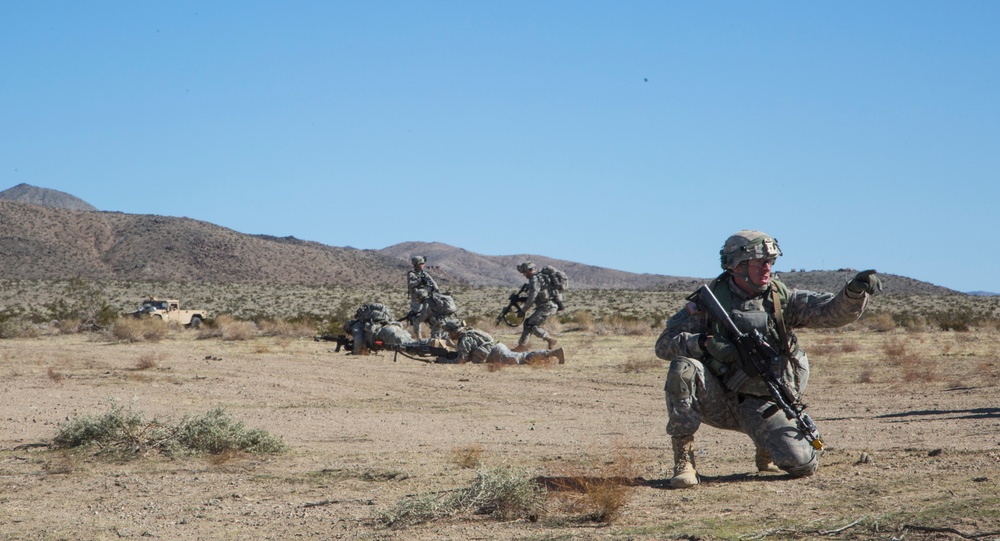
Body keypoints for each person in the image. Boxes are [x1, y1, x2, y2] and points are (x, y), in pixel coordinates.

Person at [655, 230, 881, 488]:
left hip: (765, 401)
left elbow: (831, 312)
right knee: (683, 367)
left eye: (771, 262)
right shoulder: (710, 302)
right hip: (721, 399)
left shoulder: (781, 298)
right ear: (737, 266)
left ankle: (765, 446)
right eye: (760, 262)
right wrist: (702, 344)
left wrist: (853, 293)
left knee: (802, 465)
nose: (767, 268)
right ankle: (684, 461)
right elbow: (663, 345)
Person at [440, 319, 565, 365]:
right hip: (497, 349)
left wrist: (444, 361)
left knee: (524, 358)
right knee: (522, 357)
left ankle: (553, 353)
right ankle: (550, 354)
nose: (449, 335)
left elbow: (461, 360)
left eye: (450, 332)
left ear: (455, 331)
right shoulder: (469, 333)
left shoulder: (465, 339)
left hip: (498, 354)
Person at [514, 261, 559, 351]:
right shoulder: (541, 278)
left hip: (547, 306)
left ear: (530, 270)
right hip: (548, 306)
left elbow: (532, 298)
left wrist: (523, 310)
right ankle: (521, 346)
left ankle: (549, 339)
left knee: (531, 325)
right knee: (528, 323)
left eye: (525, 272)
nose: (524, 275)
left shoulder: (535, 280)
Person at [343, 303, 413, 355]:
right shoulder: (380, 321)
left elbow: (358, 340)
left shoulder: (356, 325)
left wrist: (355, 352)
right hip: (394, 327)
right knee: (410, 342)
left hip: (384, 333)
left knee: (406, 345)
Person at [406, 256, 439, 338]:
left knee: (430, 315)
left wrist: (436, 290)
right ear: (416, 264)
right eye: (421, 263)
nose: (423, 265)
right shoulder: (411, 274)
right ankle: (418, 337)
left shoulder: (425, 274)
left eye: (423, 263)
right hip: (416, 298)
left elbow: (433, 282)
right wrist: (419, 280)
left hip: (426, 297)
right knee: (416, 316)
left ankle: (435, 335)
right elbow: (410, 285)